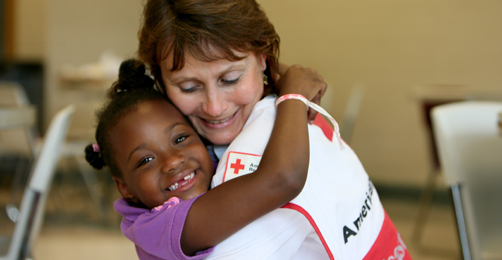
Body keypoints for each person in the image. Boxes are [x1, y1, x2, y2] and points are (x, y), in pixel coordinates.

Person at [137, 0, 412, 259]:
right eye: (189, 87)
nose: (215, 107)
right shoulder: (284, 110)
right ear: (158, 79)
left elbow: (283, 179)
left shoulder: (253, 153)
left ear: (263, 58)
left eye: (230, 79)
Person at [85, 59, 321, 259]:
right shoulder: (160, 228)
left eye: (179, 139)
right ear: (125, 188)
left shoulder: (207, 160)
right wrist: (293, 96)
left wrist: (273, 72)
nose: (173, 161)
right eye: (145, 160)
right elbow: (283, 180)